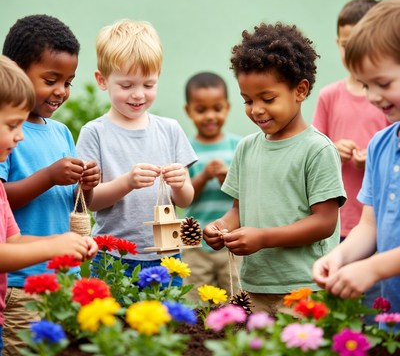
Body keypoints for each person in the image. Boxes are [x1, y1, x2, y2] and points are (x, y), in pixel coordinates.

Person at [203, 22, 346, 315]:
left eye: (267, 99)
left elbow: (325, 222)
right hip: (255, 285)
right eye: (248, 100)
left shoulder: (317, 150)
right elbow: (238, 211)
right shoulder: (246, 148)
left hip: (306, 285)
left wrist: (263, 237)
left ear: (300, 90)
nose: (256, 109)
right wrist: (221, 227)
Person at [0, 15, 100, 355]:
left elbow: (76, 201)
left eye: (68, 82)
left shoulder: (60, 132)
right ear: (16, 71)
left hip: (61, 275)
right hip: (20, 280)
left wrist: (85, 185)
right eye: (51, 79)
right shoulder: (6, 134)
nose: (61, 91)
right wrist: (49, 177)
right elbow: (4, 201)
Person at [76, 19, 197, 286]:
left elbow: (186, 199)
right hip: (113, 256)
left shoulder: (170, 129)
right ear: (102, 80)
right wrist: (127, 182)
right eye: (127, 85)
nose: (138, 95)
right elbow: (91, 202)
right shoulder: (94, 132)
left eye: (148, 84)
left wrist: (179, 184)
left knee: (163, 323)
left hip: (167, 254)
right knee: (114, 324)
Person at [313, 0, 400, 329]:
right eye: (365, 85)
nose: (373, 96)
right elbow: (369, 226)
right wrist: (342, 256)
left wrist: (373, 268)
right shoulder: (382, 144)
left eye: (383, 83)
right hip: (390, 319)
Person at [313, 0, 388, 241]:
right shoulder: (329, 96)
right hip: (338, 220)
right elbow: (313, 150)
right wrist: (334, 150)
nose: (353, 52)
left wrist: (373, 157)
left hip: (380, 217)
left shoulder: (388, 99)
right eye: (347, 44)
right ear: (338, 43)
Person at [182, 72, 242, 301]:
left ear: (227, 108)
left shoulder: (238, 146)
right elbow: (185, 198)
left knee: (236, 297)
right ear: (188, 111)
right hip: (195, 242)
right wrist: (204, 176)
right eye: (201, 110)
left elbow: (245, 193)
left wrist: (228, 178)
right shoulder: (186, 148)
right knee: (196, 299)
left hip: (232, 241)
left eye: (217, 109)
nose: (210, 116)